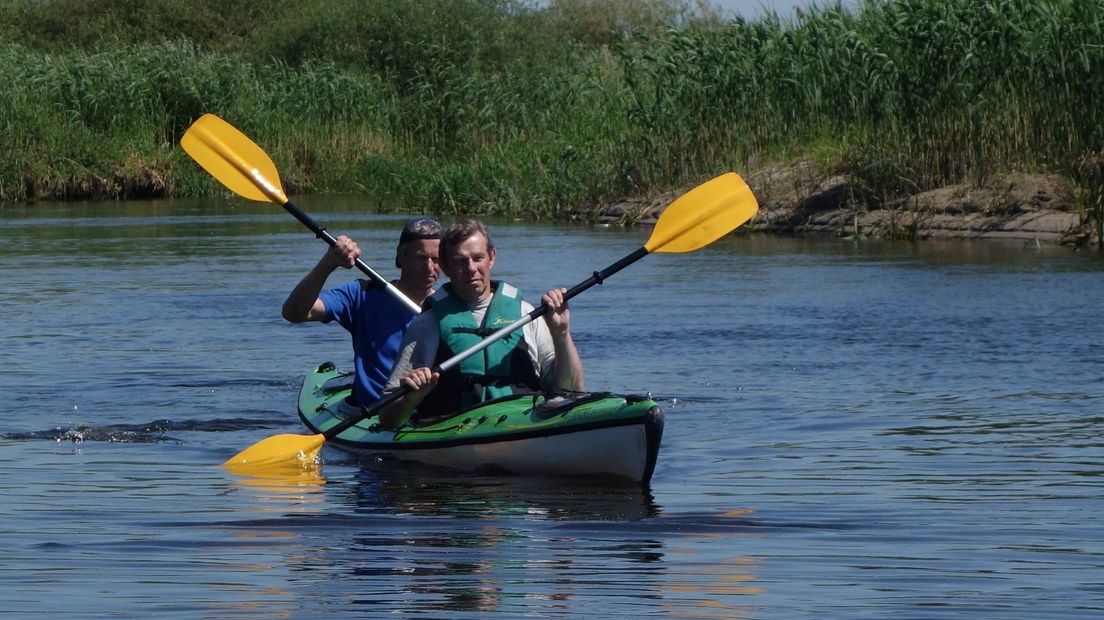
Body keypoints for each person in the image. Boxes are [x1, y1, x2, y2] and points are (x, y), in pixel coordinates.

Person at [378, 219, 584, 428]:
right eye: (460, 261)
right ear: (446, 266)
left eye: (478, 258)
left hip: (522, 423)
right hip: (454, 430)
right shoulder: (427, 324)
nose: (471, 268)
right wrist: (413, 397)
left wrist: (562, 334)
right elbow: (386, 418)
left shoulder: (525, 313)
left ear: (492, 257)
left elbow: (571, 389)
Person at [281, 217, 443, 406]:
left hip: (427, 411)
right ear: (401, 258)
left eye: (437, 260)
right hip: (371, 412)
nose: (429, 268)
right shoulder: (361, 295)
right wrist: (329, 263)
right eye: (421, 258)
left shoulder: (450, 305)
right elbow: (294, 313)